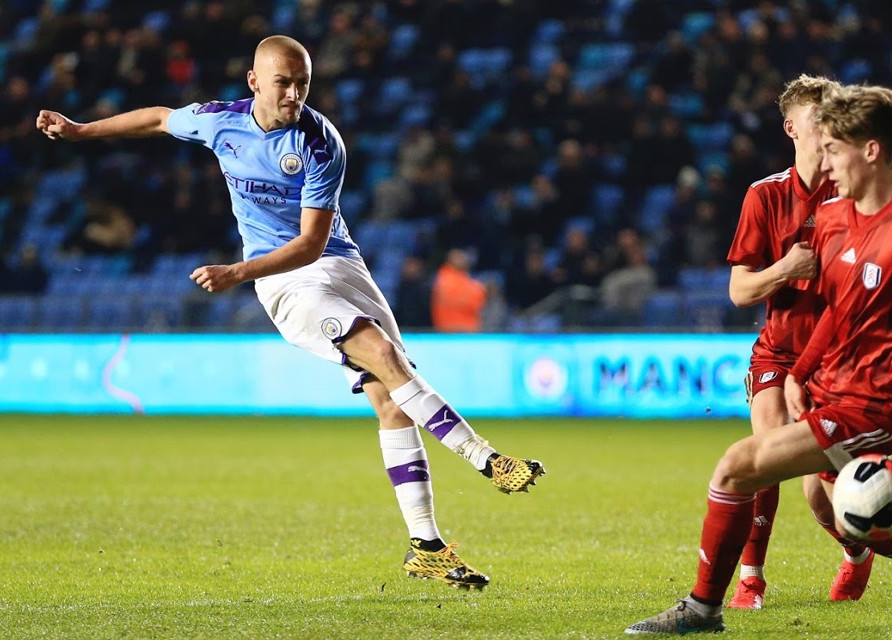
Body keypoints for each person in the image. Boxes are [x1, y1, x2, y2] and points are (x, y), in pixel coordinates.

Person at [36, 35, 545, 591]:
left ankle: (425, 545)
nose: (295, 94)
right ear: (254, 82)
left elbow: (310, 243)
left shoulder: (321, 142)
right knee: (381, 355)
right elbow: (159, 118)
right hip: (284, 282)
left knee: (392, 399)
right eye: (284, 82)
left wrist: (234, 273)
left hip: (336, 265)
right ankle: (488, 460)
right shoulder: (218, 121)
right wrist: (82, 130)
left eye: (303, 83)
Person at [626, 84, 892, 634]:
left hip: (880, 401)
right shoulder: (839, 216)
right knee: (835, 509)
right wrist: (798, 372)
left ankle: (704, 610)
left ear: (869, 150)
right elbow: (838, 310)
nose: (826, 162)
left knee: (737, 467)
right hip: (830, 382)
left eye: (835, 149)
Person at [724, 74, 875, 610]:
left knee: (822, 498)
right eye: (819, 118)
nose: (830, 128)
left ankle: (858, 553)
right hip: (778, 350)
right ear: (792, 127)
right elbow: (740, 289)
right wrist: (785, 268)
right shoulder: (764, 195)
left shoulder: (853, 196)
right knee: (762, 455)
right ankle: (750, 579)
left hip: (837, 361)